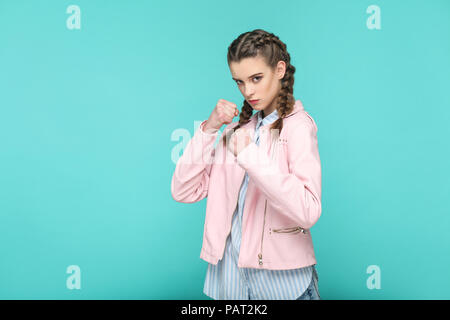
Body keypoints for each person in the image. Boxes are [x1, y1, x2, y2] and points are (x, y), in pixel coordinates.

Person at [171, 29, 322, 300]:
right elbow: (184, 190)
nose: (248, 91)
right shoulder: (237, 131)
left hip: (283, 285)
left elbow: (308, 210)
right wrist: (210, 128)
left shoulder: (298, 127)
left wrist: (251, 155)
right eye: (239, 82)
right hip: (230, 282)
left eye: (256, 78)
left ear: (279, 70)